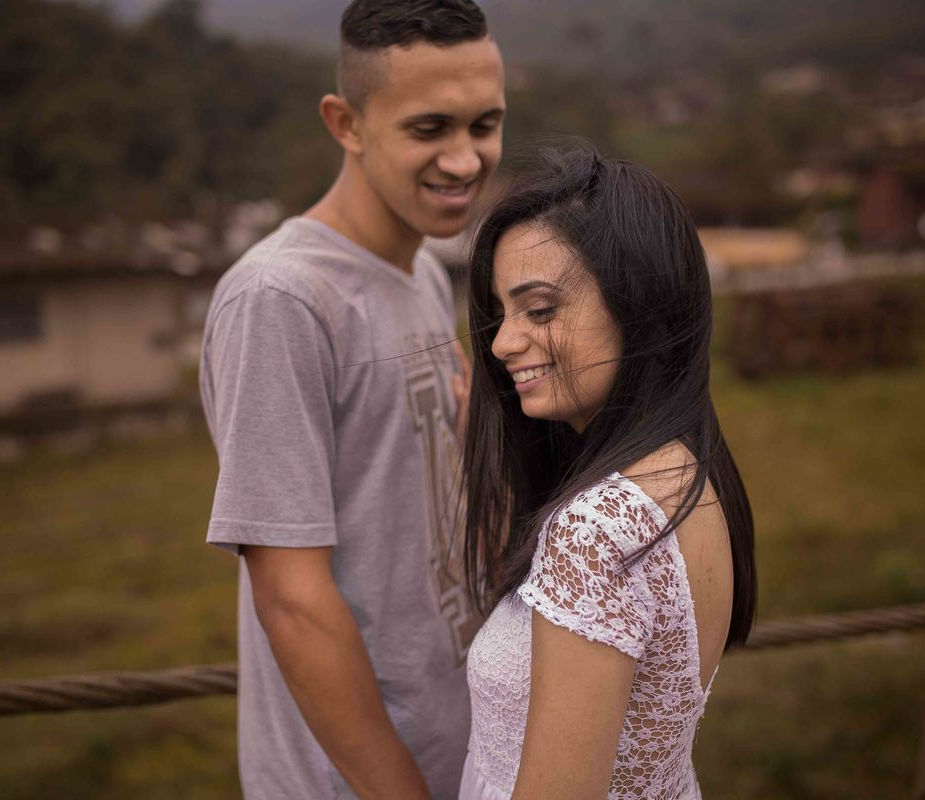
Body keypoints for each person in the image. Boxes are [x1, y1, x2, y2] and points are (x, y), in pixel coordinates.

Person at [198, 1, 505, 798]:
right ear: (347, 123)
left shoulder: (425, 273)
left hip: (460, 752)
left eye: (485, 124)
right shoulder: (281, 299)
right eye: (430, 128)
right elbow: (291, 599)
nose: (465, 159)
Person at [458, 144, 758, 799]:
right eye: (501, 313)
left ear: (639, 304)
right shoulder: (686, 474)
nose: (502, 343)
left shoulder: (597, 531)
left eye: (540, 310)